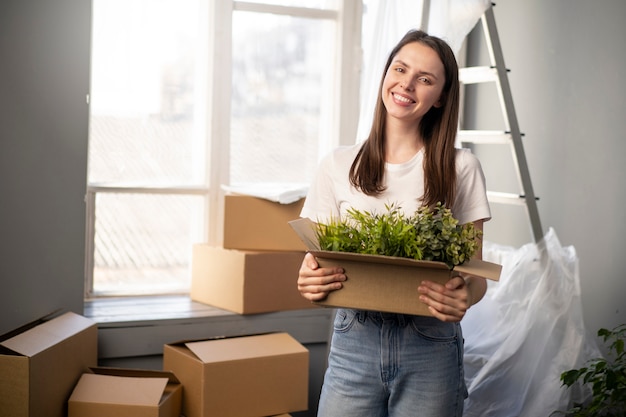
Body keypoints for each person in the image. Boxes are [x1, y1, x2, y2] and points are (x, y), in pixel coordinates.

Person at [297, 29, 491, 417]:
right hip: (354, 340)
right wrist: (308, 281)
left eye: (425, 78)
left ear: (439, 99)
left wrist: (464, 294)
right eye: (400, 69)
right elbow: (314, 266)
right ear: (385, 75)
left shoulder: (461, 168)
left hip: (431, 345)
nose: (407, 83)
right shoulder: (337, 165)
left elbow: (476, 274)